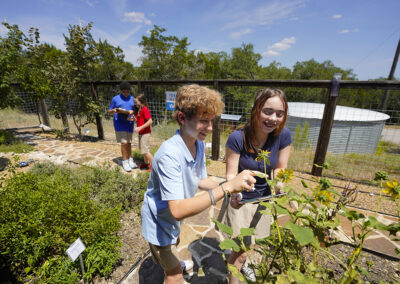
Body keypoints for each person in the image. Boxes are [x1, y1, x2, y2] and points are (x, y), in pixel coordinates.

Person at [141, 84, 257, 284]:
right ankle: (170, 265)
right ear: (182, 118)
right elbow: (177, 209)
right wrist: (226, 187)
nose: (210, 128)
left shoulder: (198, 144)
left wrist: (230, 190)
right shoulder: (169, 154)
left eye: (212, 121)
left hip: (170, 221)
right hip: (159, 221)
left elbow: (200, 179)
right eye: (204, 121)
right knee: (175, 275)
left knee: (174, 244)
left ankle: (166, 259)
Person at [224, 88, 292, 283]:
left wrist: (280, 183)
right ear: (256, 110)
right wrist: (234, 194)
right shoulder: (237, 138)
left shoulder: (283, 136)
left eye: (280, 114)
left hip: (264, 200)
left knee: (250, 244)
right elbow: (231, 173)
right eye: (268, 111)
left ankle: (241, 265)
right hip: (242, 200)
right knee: (239, 252)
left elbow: (280, 167)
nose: (273, 118)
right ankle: (233, 278)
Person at [108, 80, 137, 172]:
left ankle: (130, 159)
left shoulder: (133, 99)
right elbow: (109, 111)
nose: (125, 93)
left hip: (129, 123)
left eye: (127, 91)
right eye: (123, 91)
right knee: (124, 142)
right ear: (121, 91)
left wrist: (134, 114)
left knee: (129, 142)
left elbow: (136, 111)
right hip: (119, 123)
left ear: (129, 90)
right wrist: (115, 111)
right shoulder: (115, 99)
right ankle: (124, 161)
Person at [134, 93, 153, 171]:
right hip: (141, 133)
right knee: (142, 149)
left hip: (145, 133)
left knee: (145, 151)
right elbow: (141, 120)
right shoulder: (139, 110)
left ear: (141, 101)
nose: (135, 104)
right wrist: (134, 120)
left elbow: (150, 121)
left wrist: (140, 128)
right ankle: (146, 163)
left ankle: (154, 166)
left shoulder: (145, 109)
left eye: (136, 102)